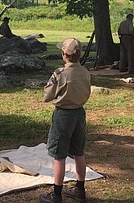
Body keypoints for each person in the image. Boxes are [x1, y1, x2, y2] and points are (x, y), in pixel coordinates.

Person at [39, 38, 91, 203]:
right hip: (79, 113)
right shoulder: (85, 72)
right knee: (79, 152)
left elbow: (47, 96)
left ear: (64, 55)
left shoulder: (60, 74)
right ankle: (80, 190)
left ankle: (56, 194)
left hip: (63, 115)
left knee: (59, 155)